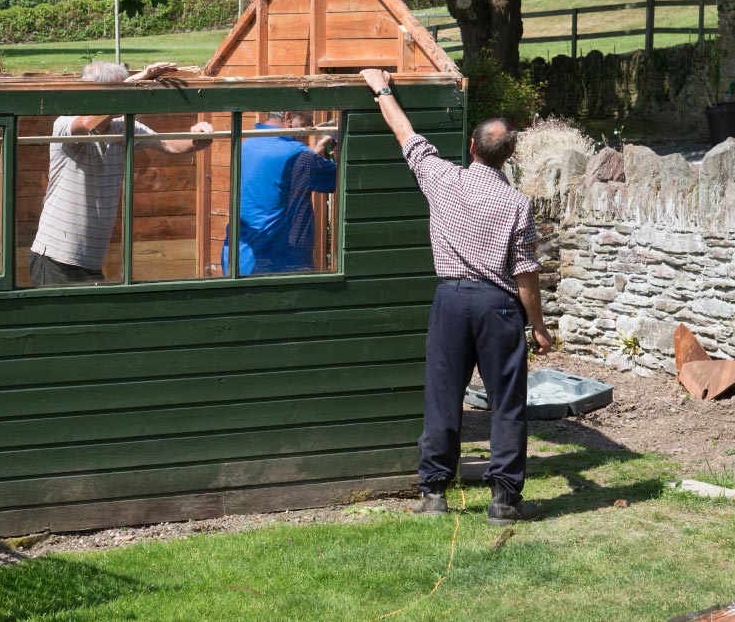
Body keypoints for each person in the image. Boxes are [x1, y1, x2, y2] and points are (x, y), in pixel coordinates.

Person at [360, 67, 554, 525]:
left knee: (443, 395)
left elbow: (404, 131)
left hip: (450, 300)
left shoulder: (441, 178)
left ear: (472, 148)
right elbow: (525, 274)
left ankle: (433, 494)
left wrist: (382, 88)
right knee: (507, 403)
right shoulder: (518, 204)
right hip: (498, 307)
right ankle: (504, 502)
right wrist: (540, 327)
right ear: (508, 157)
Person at [29, 61, 214, 287]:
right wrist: (137, 81)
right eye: (123, 92)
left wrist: (197, 140)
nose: (129, 99)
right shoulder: (65, 124)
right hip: (55, 257)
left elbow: (168, 144)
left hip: (92, 261)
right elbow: (87, 123)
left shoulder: (122, 126)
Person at [222, 111, 337, 275]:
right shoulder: (299, 154)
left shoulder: (247, 144)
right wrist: (340, 154)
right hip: (278, 265)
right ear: (289, 118)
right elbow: (340, 178)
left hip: (238, 259)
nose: (311, 127)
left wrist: (313, 156)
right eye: (308, 120)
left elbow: (284, 173)